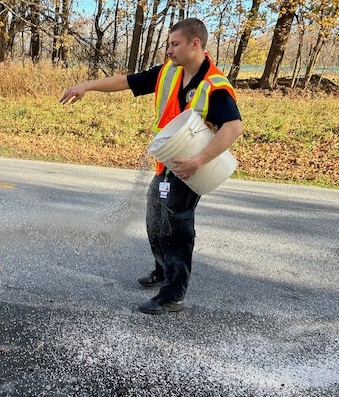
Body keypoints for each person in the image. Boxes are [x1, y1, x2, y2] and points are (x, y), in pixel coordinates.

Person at [60, 18, 243, 315]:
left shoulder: (215, 85)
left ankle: (172, 295)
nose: (168, 50)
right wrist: (87, 86)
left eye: (174, 44)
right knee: (155, 216)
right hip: (167, 163)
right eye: (168, 44)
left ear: (194, 44)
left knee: (176, 228)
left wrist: (198, 160)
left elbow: (232, 128)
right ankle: (162, 270)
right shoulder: (169, 73)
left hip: (192, 167)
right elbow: (126, 81)